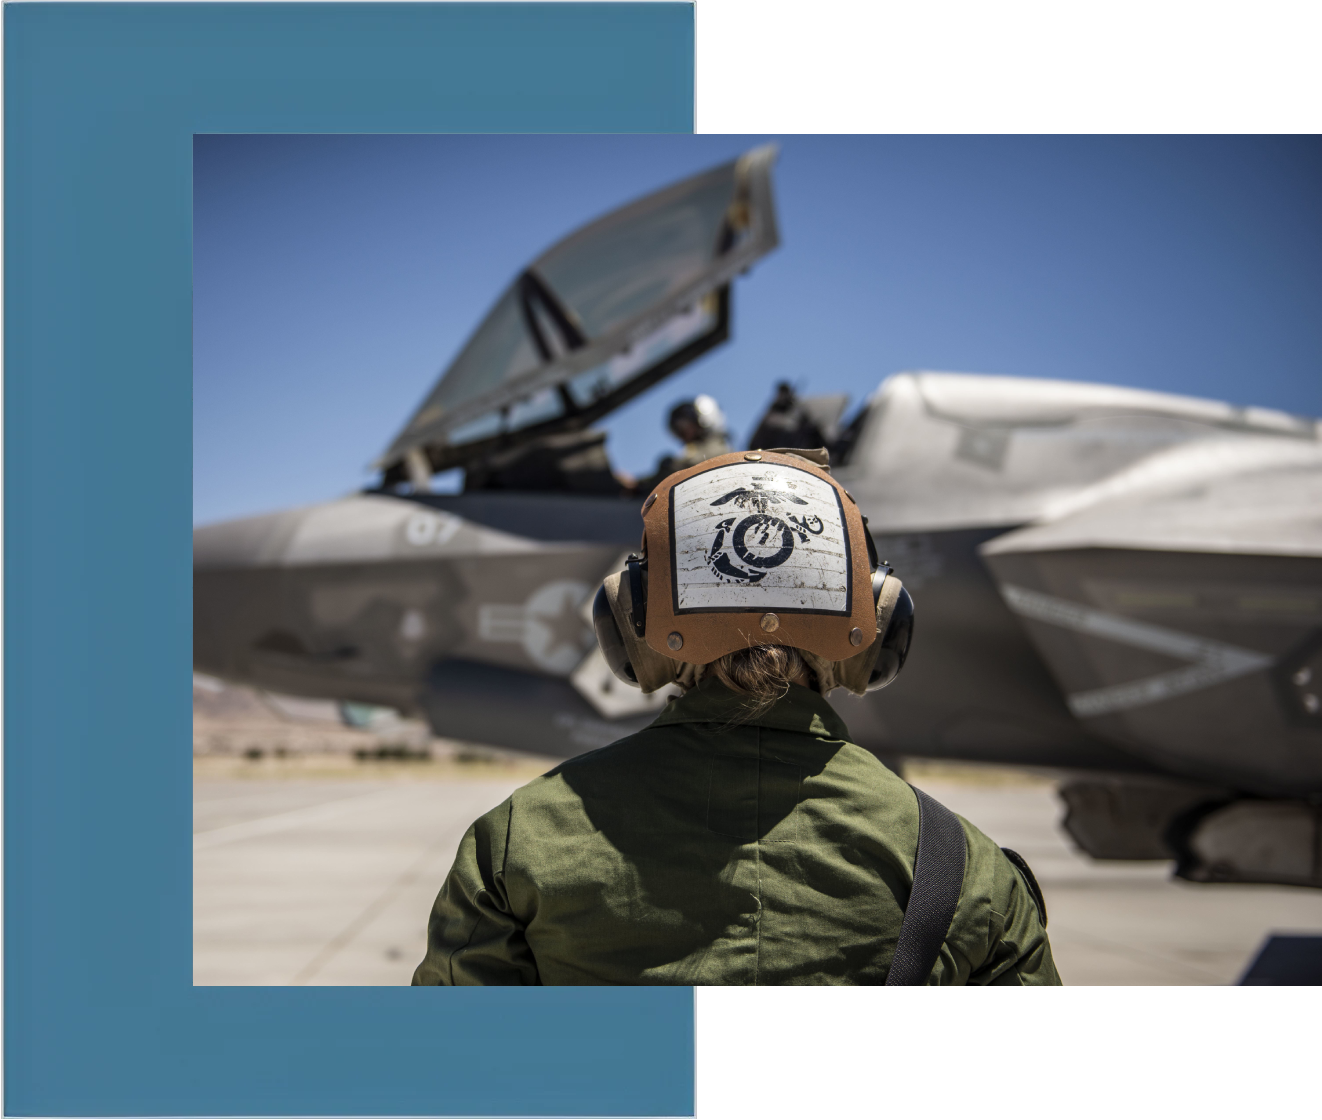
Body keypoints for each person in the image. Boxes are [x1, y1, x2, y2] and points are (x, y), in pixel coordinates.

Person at [412, 448, 1060, 986]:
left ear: (632, 622)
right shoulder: (965, 869)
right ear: (878, 625)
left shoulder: (516, 842)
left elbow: (448, 1077)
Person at [630, 395, 731, 494]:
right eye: (679, 431)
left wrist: (669, 466)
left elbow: (697, 464)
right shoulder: (692, 449)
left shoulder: (716, 445)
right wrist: (637, 483)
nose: (683, 435)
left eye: (685, 427)